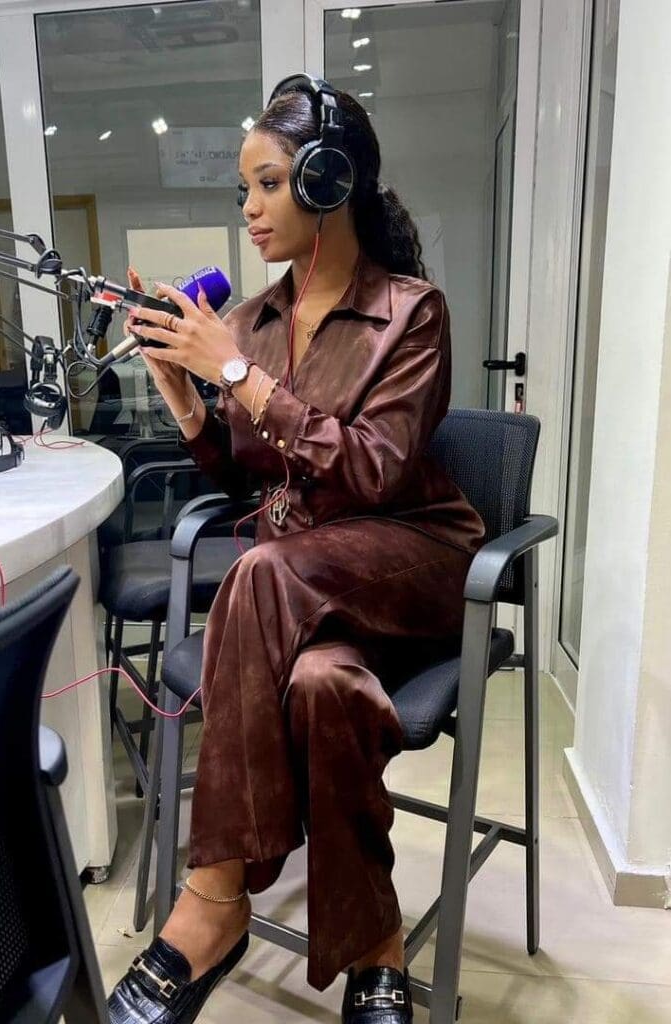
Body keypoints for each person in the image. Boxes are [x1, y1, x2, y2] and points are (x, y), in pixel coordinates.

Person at [108, 74, 485, 1024]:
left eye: (268, 184)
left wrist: (236, 373)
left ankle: (214, 896)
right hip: (304, 594)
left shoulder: (411, 312)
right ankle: (375, 946)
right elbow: (251, 478)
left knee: (262, 568)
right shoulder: (250, 321)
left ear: (328, 180)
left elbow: (372, 470)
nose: (248, 208)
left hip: (411, 560)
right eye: (243, 188)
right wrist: (188, 397)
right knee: (322, 685)